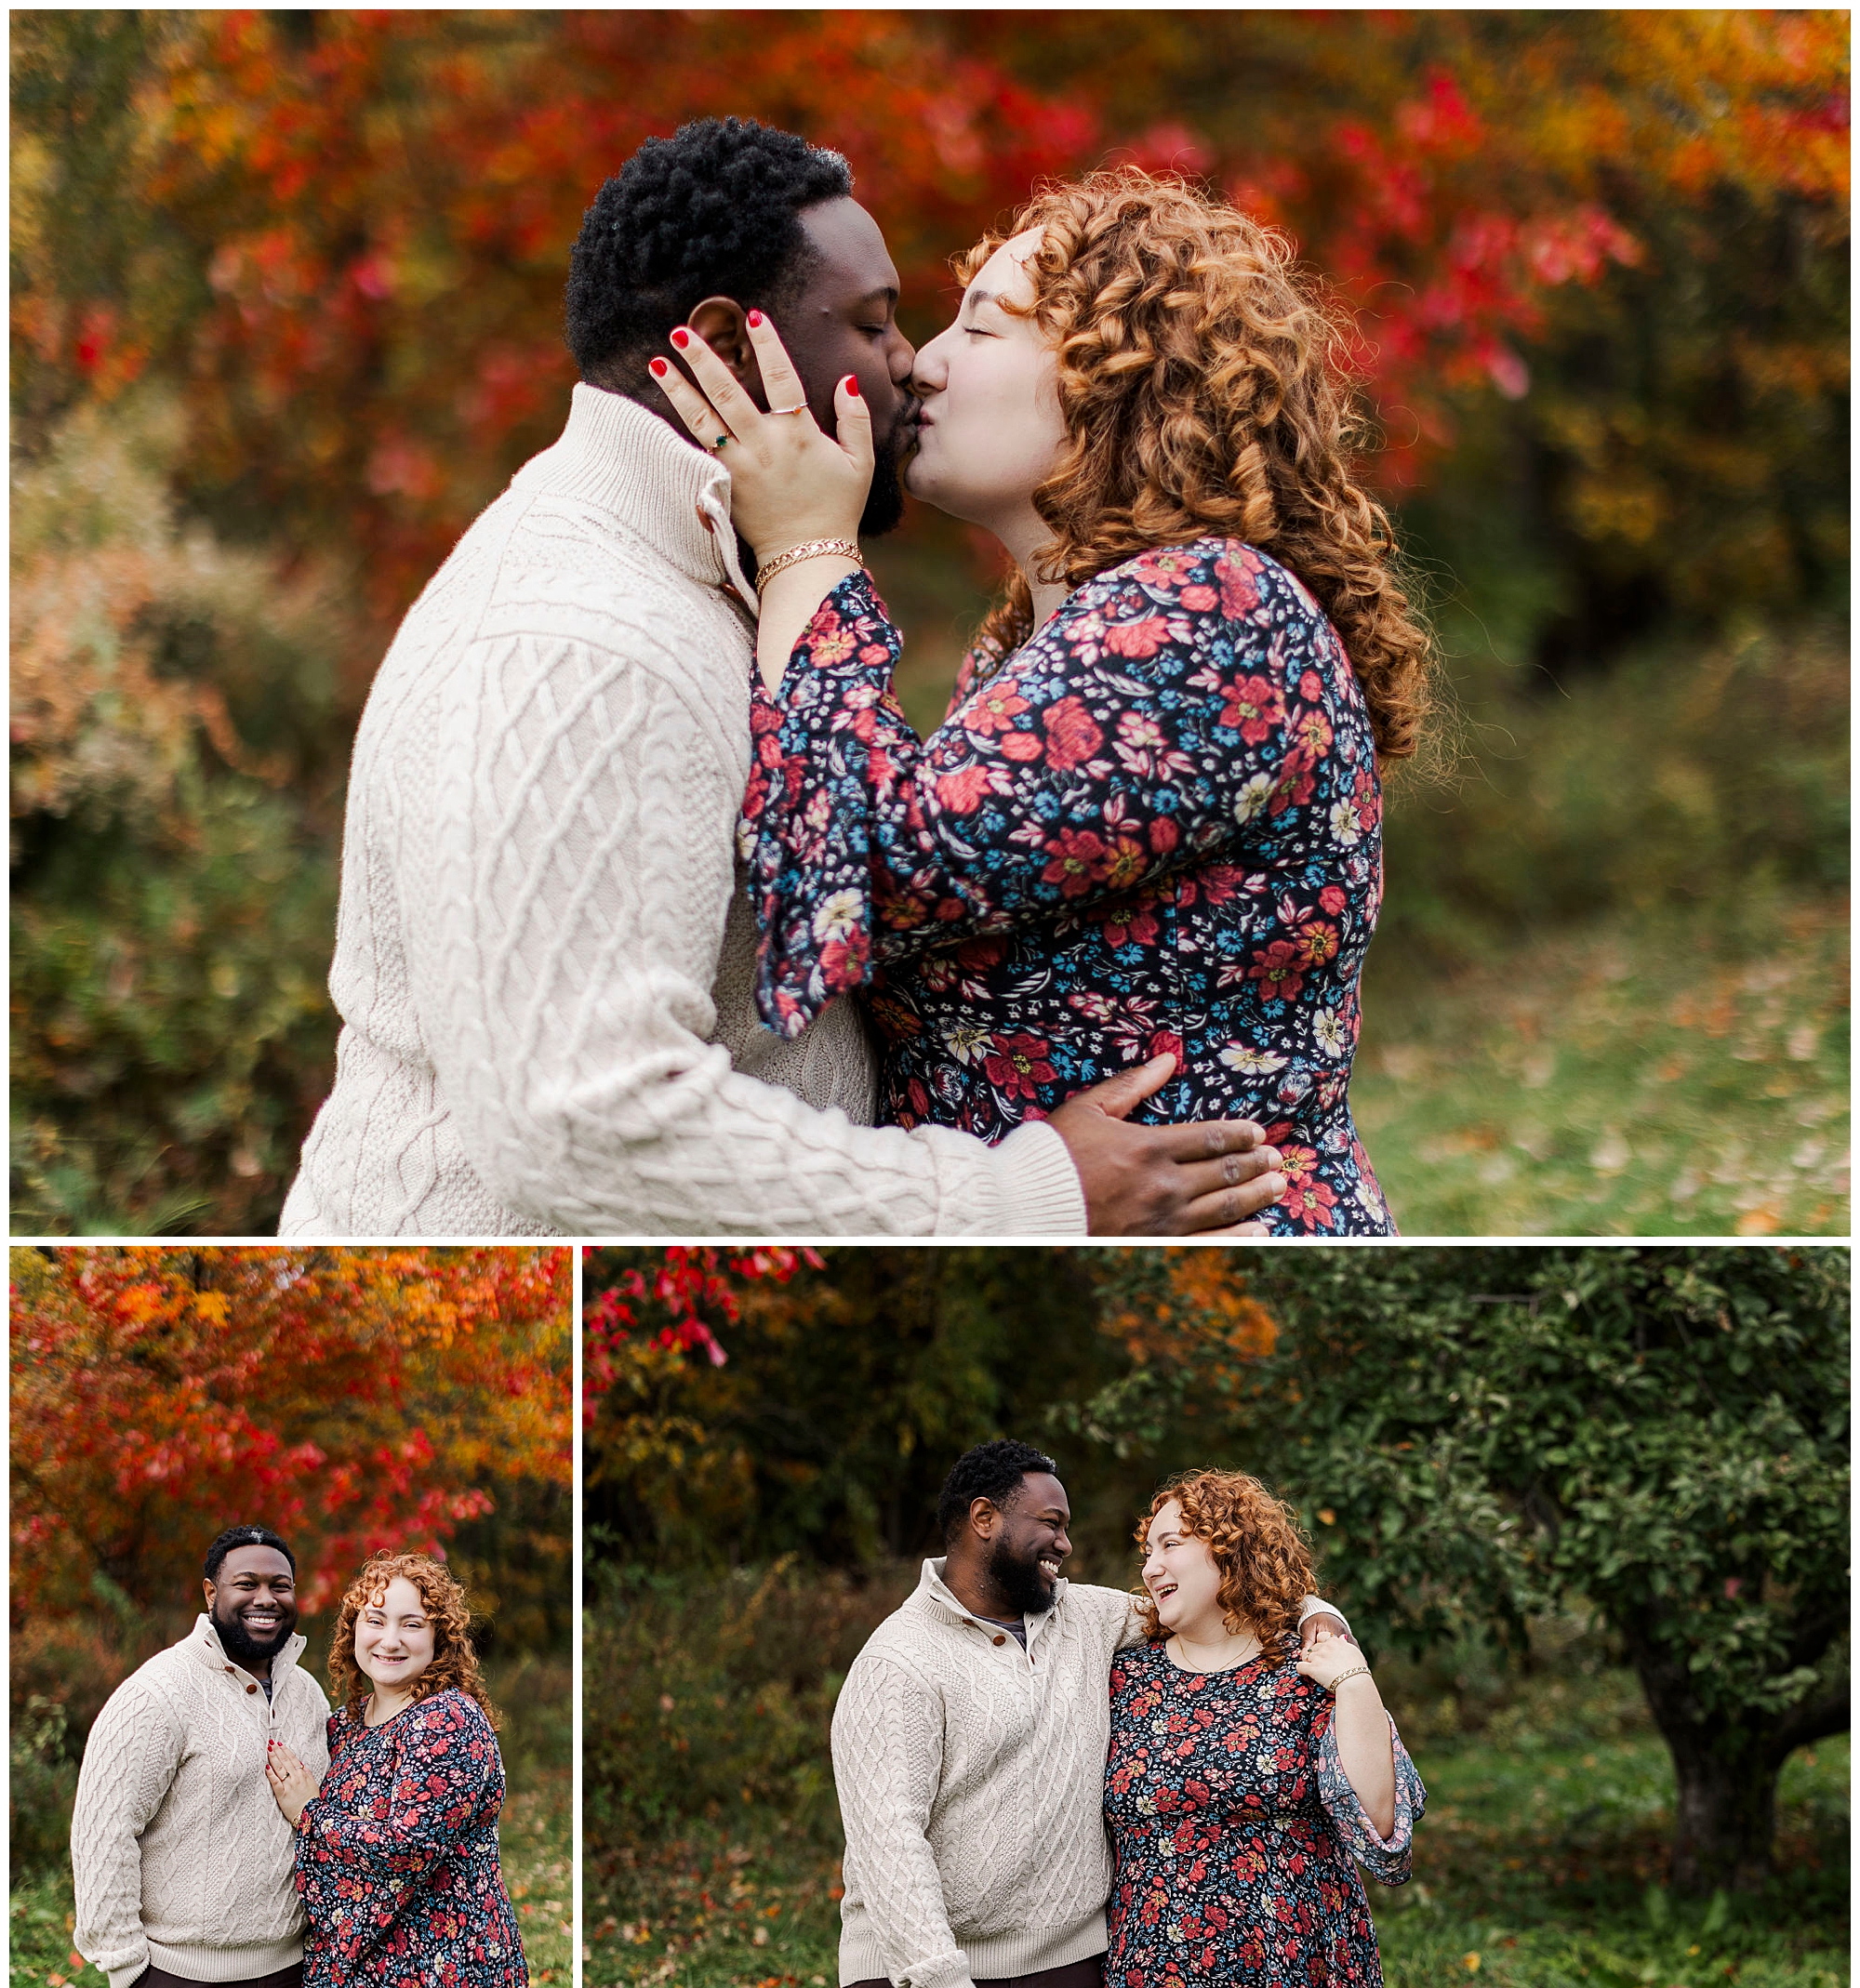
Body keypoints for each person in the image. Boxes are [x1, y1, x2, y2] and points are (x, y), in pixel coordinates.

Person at [279, 118, 1288, 1239]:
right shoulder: (577, 640)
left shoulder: (715, 588)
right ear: (724, 345)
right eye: (872, 322)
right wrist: (1024, 1197)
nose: (910, 360)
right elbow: (585, 1130)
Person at [652, 167, 1437, 1235]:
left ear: (1116, 376)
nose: (919, 365)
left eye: (978, 329)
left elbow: (865, 875)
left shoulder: (1210, 614)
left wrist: (805, 545)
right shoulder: (1041, 637)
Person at [830, 1440, 1351, 1988]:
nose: (1065, 1545)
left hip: (1066, 1982)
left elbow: (1221, 1600)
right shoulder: (898, 1662)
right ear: (985, 1518)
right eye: (1050, 1523)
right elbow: (886, 1838)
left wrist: (1319, 1615)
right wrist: (943, 1985)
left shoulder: (1087, 1618)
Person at [1103, 1472, 1424, 1988]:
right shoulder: (1123, 1679)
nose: (1150, 1566)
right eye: (1147, 1551)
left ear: (1228, 1549)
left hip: (1294, 1980)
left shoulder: (1306, 1668)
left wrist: (1354, 1680)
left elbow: (1381, 1831)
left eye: (1170, 1544)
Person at [263, 1552, 538, 1988]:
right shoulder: (344, 1727)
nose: (390, 1639)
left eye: (411, 1624)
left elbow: (400, 1846)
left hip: (437, 1985)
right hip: (355, 1982)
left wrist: (308, 1814)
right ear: (353, 1630)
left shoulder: (450, 1721)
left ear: (440, 1638)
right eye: (376, 1619)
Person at [71, 1525, 330, 1988]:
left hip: (291, 1984)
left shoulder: (308, 1694)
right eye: (247, 1583)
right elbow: (105, 1833)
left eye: (280, 1585)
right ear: (211, 1594)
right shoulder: (159, 1693)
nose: (266, 1598)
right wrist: (130, 1975)